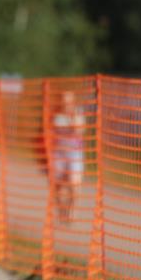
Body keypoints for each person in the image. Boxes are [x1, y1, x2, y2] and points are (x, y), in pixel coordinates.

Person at [50, 90, 86, 223]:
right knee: (56, 185)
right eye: (64, 100)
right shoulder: (56, 114)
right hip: (59, 152)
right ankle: (61, 208)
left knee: (74, 184)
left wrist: (72, 118)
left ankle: (72, 211)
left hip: (74, 153)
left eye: (69, 100)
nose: (66, 103)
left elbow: (79, 130)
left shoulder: (78, 113)